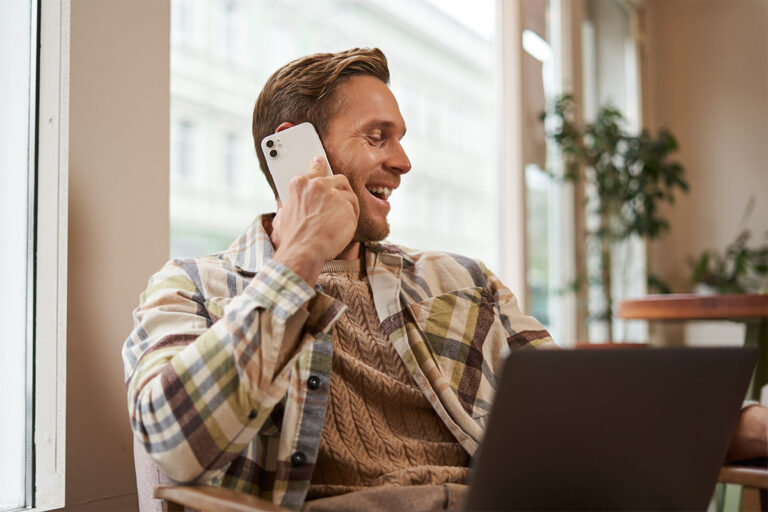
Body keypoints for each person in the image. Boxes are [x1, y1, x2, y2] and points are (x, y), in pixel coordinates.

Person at [123, 48, 767, 512]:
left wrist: (742, 423)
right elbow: (172, 445)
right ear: (298, 152)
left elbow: (586, 416)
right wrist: (299, 259)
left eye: (400, 139)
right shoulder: (195, 289)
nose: (402, 162)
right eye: (378, 137)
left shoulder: (462, 283)